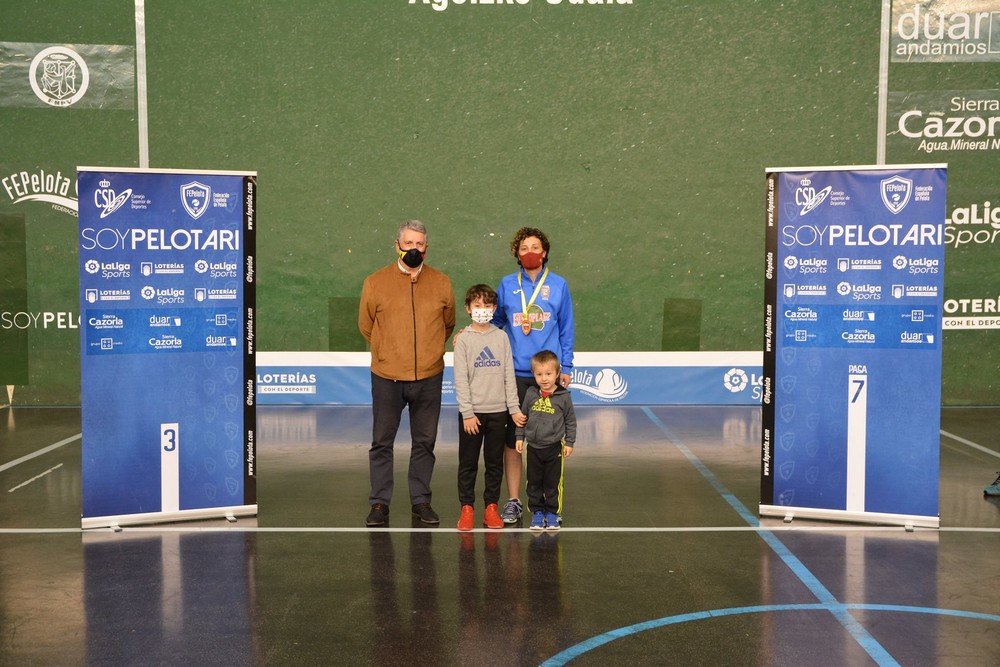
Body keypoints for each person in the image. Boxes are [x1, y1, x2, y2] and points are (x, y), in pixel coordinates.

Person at [358, 219, 456, 527]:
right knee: (381, 442)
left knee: (425, 442)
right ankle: (379, 504)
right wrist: (389, 353)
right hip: (387, 377)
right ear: (397, 245)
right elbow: (366, 326)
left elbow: (448, 325)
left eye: (419, 244)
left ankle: (421, 501)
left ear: (427, 248)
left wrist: (428, 353)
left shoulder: (442, 283)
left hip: (429, 376)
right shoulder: (375, 282)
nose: (414, 248)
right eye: (408, 243)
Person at [492, 227, 575, 524]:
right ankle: (514, 501)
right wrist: (473, 331)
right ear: (517, 253)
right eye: (524, 247)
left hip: (548, 378)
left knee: (549, 442)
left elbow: (566, 328)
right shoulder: (506, 285)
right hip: (515, 375)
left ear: (545, 252)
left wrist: (566, 367)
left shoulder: (559, 285)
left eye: (535, 246)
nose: (530, 252)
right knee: (514, 440)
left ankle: (548, 506)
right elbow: (496, 322)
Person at [453, 284, 526, 531]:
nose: (482, 310)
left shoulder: (501, 337)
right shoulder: (463, 339)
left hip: (499, 413)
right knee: (468, 463)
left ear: (494, 309)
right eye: (477, 306)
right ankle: (467, 508)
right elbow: (460, 379)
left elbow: (508, 375)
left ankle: (491, 508)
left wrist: (513, 409)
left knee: (494, 462)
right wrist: (468, 413)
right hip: (472, 416)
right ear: (468, 308)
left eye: (487, 306)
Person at [515, 350, 576, 531]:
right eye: (539, 374)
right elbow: (523, 416)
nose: (544, 378)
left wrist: (570, 442)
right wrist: (520, 437)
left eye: (548, 374)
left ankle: (552, 513)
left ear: (557, 374)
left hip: (554, 447)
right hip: (533, 447)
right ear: (533, 374)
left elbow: (570, 421)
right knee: (533, 482)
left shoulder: (563, 396)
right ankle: (537, 513)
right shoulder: (531, 393)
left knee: (552, 482)